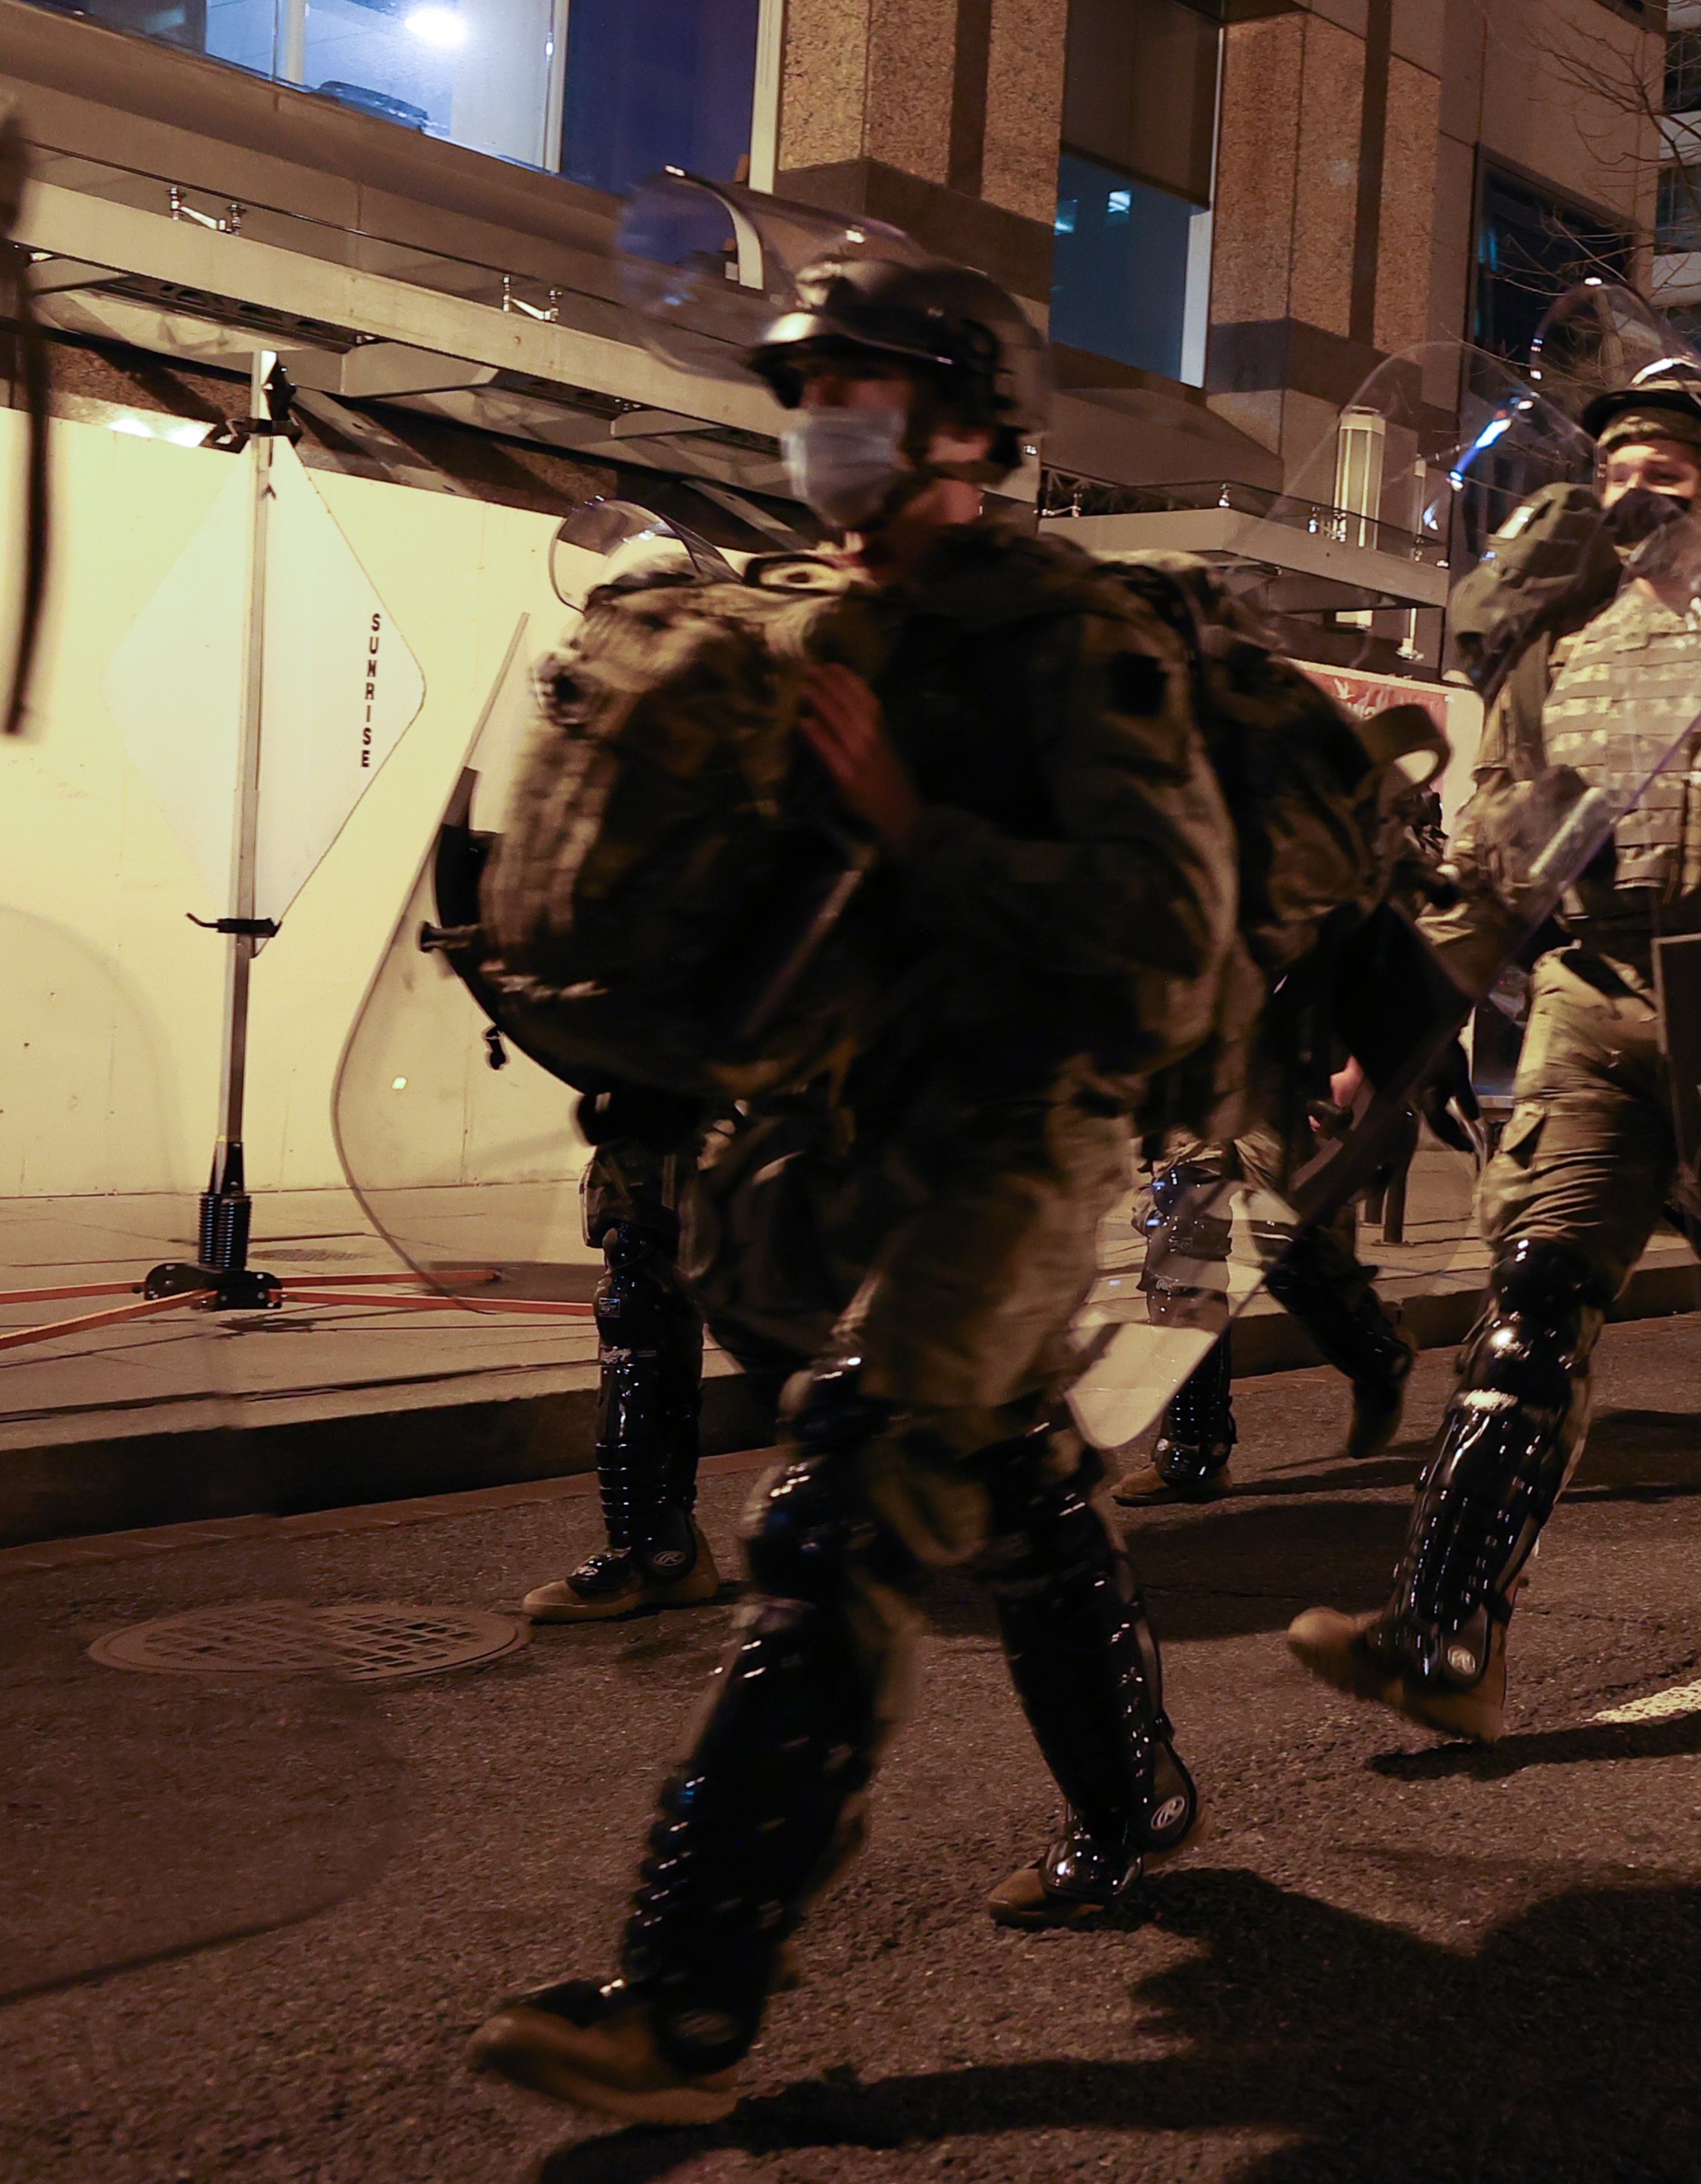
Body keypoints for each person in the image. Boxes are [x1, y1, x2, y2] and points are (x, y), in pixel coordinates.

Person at [469, 253, 1238, 2124]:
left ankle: (686, 2001)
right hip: (830, 1130)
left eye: (862, 391)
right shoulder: (790, 616)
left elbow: (1164, 939)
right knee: (1013, 1477)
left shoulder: (1072, 639)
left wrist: (919, 826)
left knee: (846, 1504)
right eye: (808, 391)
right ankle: (1134, 1798)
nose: (823, 423)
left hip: (1017, 1136)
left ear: (968, 430)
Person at [1284, 363, 1701, 1736]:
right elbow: (1494, 859)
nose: (1633, 500)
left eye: (1665, 479)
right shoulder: (1559, 653)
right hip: (1595, 1001)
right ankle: (1445, 1633)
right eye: (1615, 474)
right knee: (1534, 1294)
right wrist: (1388, 1032)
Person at [1117, 1121, 1418, 1505]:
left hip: (1276, 1104)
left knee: (1286, 1248)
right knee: (1180, 1232)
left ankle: (1377, 1354)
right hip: (1194, 1106)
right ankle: (1194, 1450)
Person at [518, 1092, 724, 1621]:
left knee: (643, 1320)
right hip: (657, 1141)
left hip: (681, 1135)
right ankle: (661, 1549)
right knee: (637, 1317)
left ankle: (652, 1552)